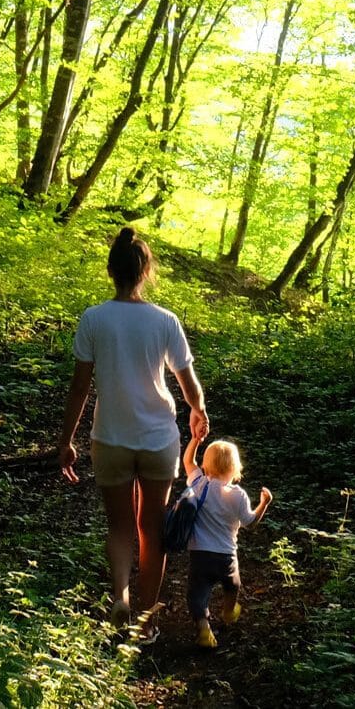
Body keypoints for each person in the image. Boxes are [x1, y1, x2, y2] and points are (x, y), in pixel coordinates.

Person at [58, 226, 209, 639]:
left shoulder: (94, 318)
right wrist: (198, 412)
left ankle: (120, 597)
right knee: (152, 527)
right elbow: (189, 383)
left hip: (110, 437)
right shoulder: (165, 321)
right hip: (159, 438)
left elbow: (79, 388)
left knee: (120, 527)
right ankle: (145, 621)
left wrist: (66, 441)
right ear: (145, 272)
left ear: (112, 271)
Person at [183, 435, 272, 648]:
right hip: (226, 556)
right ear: (235, 468)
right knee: (233, 585)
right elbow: (250, 522)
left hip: (200, 554)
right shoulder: (238, 495)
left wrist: (195, 439)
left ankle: (204, 629)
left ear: (205, 465)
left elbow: (187, 461)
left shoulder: (198, 484)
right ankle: (229, 611)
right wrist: (264, 503)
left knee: (197, 593)